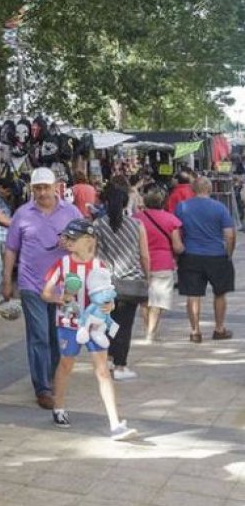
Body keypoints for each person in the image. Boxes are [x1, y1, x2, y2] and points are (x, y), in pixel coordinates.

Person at [41, 219, 136, 440]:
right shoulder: (62, 264)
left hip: (95, 325)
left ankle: (115, 422)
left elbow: (109, 297)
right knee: (66, 364)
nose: (68, 242)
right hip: (68, 323)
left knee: (102, 370)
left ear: (89, 240)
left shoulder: (100, 266)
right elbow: (45, 292)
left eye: (73, 238)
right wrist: (60, 299)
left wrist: (108, 306)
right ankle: (59, 407)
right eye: (67, 238)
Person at [2, 167, 83, 409]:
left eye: (46, 187)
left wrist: (72, 245)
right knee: (39, 335)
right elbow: (11, 248)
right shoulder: (22, 214)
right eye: (37, 188)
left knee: (57, 335)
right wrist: (6, 279)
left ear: (56, 187)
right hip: (31, 284)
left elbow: (86, 243)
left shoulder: (71, 212)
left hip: (62, 287)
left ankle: (53, 376)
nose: (42, 192)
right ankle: (43, 388)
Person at [92, 185, 150, 380]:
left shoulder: (98, 225)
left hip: (104, 283)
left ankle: (108, 358)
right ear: (126, 204)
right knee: (124, 326)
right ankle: (120, 366)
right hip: (130, 283)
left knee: (108, 323)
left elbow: (93, 254)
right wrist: (148, 277)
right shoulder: (137, 225)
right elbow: (144, 255)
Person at [176, 176, 236, 342]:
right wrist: (229, 253)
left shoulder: (182, 207)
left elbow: (176, 231)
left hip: (190, 255)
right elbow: (230, 235)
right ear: (210, 189)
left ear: (193, 190)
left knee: (193, 294)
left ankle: (195, 331)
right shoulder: (220, 208)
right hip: (217, 255)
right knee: (220, 293)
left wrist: (178, 253)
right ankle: (219, 329)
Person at [136, 186, 184, 343]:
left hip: (139, 264)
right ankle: (151, 333)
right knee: (158, 301)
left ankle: (148, 330)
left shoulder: (136, 218)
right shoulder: (171, 220)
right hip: (163, 263)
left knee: (145, 300)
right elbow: (177, 246)